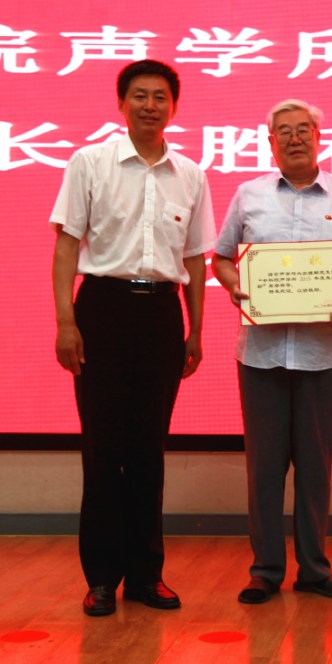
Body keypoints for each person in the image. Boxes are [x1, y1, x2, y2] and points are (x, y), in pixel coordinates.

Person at [51, 59, 214, 617]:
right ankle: (101, 577)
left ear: (174, 106)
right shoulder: (90, 162)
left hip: (162, 314)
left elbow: (195, 257)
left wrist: (196, 329)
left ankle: (146, 575)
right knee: (102, 449)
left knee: (148, 450)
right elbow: (67, 246)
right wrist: (65, 322)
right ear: (121, 104)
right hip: (102, 309)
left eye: (160, 97)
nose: (150, 105)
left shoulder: (189, 174)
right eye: (140, 96)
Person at [211, 100, 332, 605]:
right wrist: (235, 286)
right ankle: (265, 570)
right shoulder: (249, 194)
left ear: (318, 136)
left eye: (302, 129)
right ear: (270, 142)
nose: (293, 138)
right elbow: (221, 258)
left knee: (314, 466)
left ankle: (314, 569)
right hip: (260, 354)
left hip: (322, 354)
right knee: (264, 467)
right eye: (282, 131)